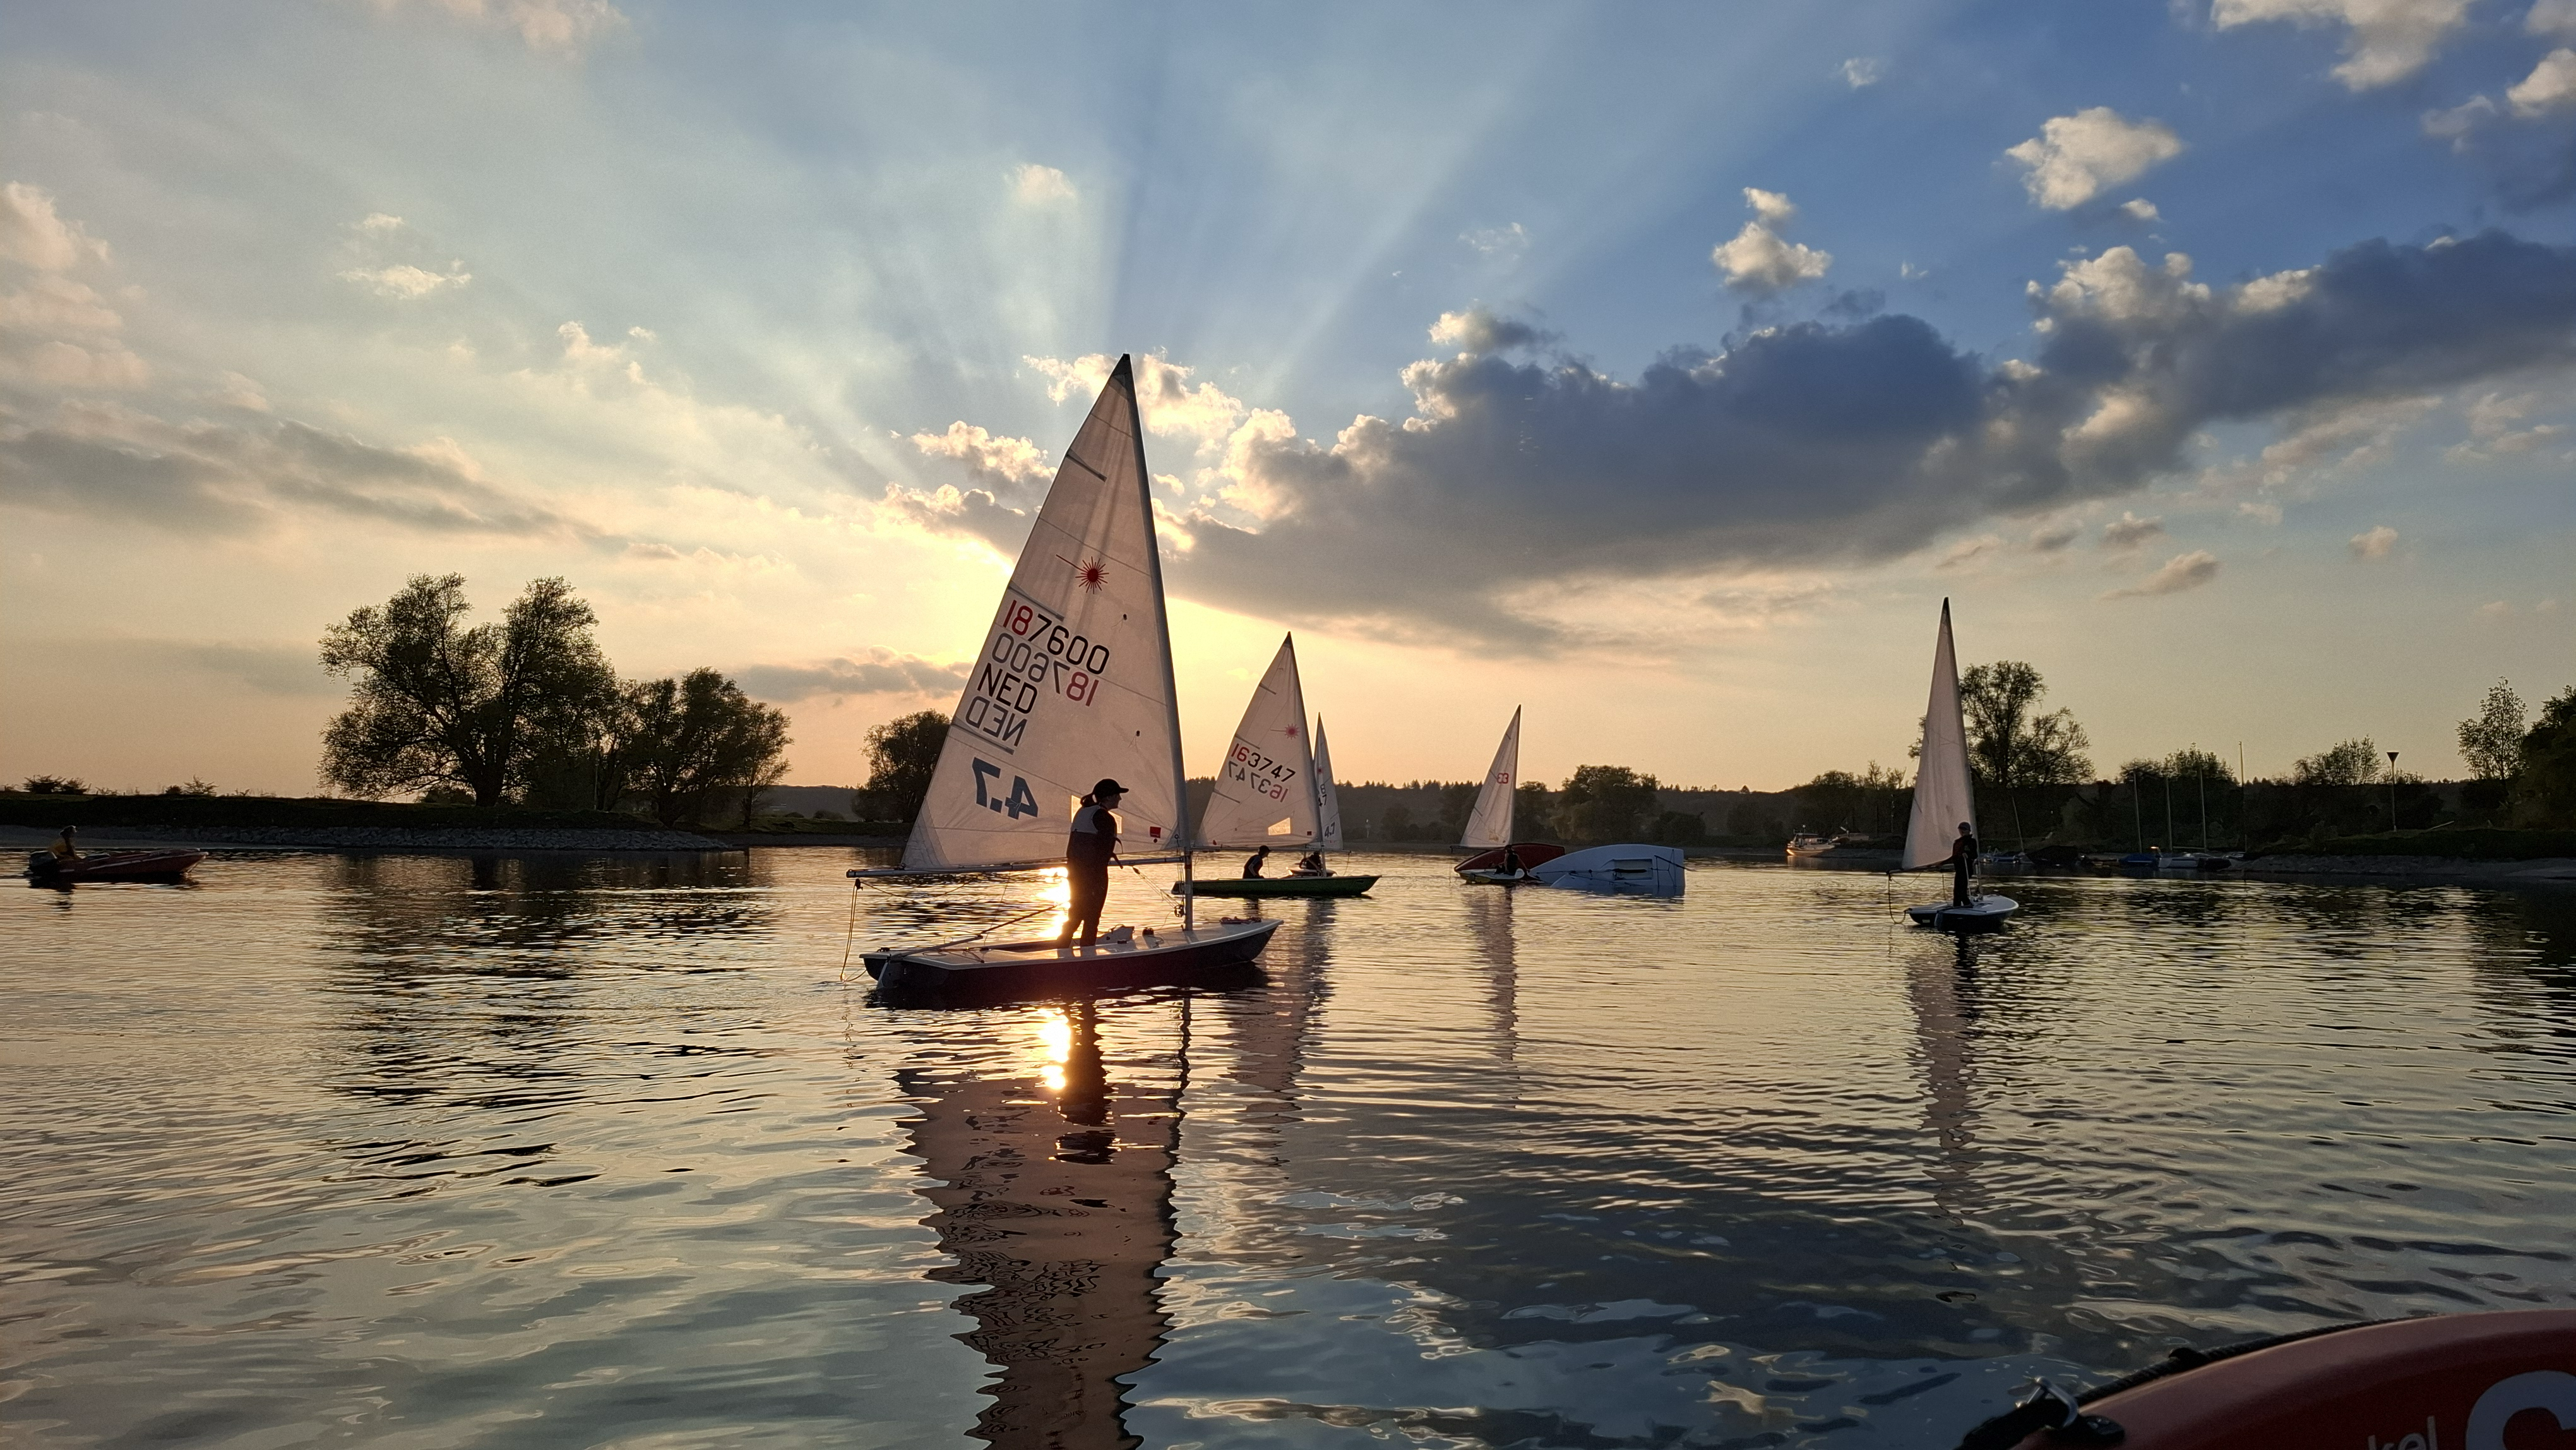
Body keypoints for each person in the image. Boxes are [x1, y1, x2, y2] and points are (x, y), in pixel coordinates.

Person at [1059, 779, 1123, 950]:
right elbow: (1103, 851)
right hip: (1093, 873)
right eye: (1117, 795)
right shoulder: (1105, 818)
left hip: (1075, 871)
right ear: (1109, 797)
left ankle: (1062, 945)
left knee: (1076, 912)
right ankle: (1087, 950)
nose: (1120, 799)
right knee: (1092, 915)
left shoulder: (1084, 811)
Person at [1947, 820, 1978, 906]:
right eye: (1961, 830)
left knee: (1961, 890)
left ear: (1969, 831)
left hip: (1966, 869)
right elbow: (1954, 857)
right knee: (1957, 890)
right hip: (1959, 869)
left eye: (1964, 829)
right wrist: (1942, 863)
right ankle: (1958, 906)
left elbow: (1975, 855)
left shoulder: (1972, 841)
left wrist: (1967, 855)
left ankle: (1966, 905)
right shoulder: (1957, 843)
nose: (1962, 831)